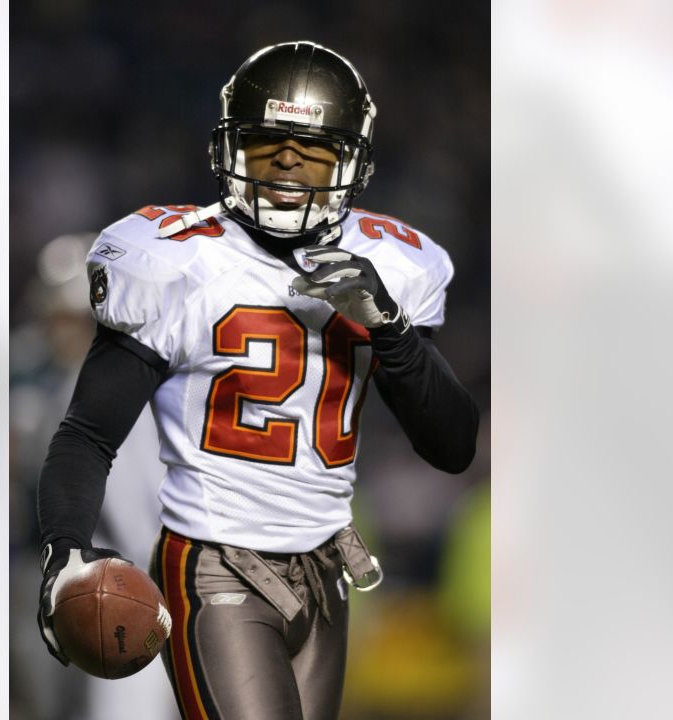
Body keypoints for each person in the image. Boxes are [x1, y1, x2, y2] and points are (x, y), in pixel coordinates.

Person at [36, 40, 480, 720]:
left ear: (351, 162)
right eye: (269, 149)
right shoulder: (179, 262)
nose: (287, 173)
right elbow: (89, 433)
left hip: (327, 568)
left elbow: (452, 446)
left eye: (311, 154)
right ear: (231, 151)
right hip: (215, 566)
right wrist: (65, 547)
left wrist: (388, 328)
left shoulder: (388, 262)